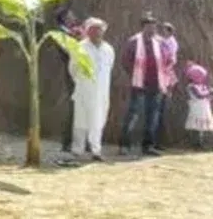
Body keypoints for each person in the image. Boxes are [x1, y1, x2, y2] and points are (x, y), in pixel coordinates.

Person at [120, 12, 170, 156]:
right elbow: (126, 61)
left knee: (152, 117)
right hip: (139, 84)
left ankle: (148, 146)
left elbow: (167, 60)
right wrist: (136, 75)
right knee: (133, 114)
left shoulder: (160, 42)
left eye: (154, 27)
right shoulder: (134, 41)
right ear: (143, 27)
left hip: (156, 85)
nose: (152, 29)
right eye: (149, 26)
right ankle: (124, 145)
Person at [70, 17, 114, 161]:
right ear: (87, 31)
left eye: (99, 29)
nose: (96, 32)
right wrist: (82, 83)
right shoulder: (80, 47)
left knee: (98, 120)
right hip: (84, 89)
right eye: (93, 29)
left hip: (101, 91)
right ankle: (78, 150)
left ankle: (96, 151)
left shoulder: (108, 49)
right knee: (80, 121)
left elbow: (109, 68)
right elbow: (73, 69)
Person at [54, 7, 81, 153]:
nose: (74, 17)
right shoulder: (61, 33)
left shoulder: (71, 32)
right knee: (74, 106)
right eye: (71, 15)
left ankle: (77, 140)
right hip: (71, 71)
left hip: (78, 70)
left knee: (80, 106)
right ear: (64, 18)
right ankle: (67, 142)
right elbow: (68, 50)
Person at [185, 63, 212, 149]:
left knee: (201, 127)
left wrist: (209, 95)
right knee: (196, 126)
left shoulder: (201, 86)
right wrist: (209, 92)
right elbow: (199, 95)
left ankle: (201, 143)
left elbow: (206, 96)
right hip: (197, 109)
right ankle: (195, 143)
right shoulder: (191, 87)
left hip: (204, 108)